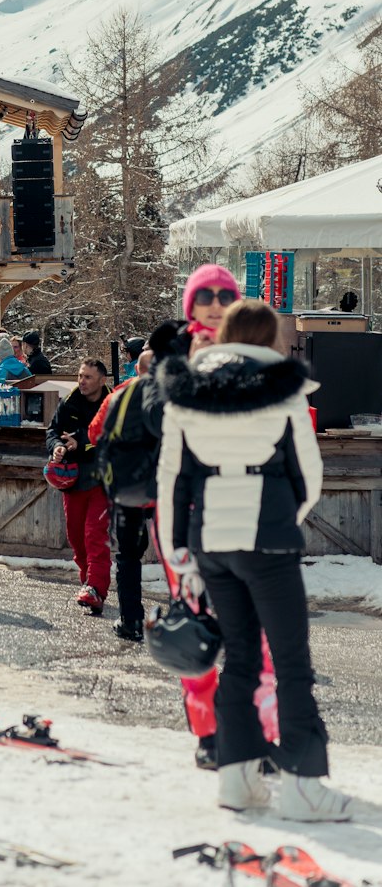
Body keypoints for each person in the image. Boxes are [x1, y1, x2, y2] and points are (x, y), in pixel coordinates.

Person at [156, 298, 350, 821]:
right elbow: (308, 477)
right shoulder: (285, 388)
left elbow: (172, 477)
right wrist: (286, 513)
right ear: (268, 338)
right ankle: (305, 786)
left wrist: (180, 551)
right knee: (291, 663)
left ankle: (237, 780)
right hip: (268, 536)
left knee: (239, 658)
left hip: (209, 540)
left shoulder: (187, 388)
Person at [142, 262, 245, 768]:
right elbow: (157, 421)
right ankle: (207, 734)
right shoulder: (171, 355)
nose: (215, 305)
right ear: (190, 304)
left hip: (244, 506)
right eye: (205, 296)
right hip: (184, 507)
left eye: (225, 296)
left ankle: (251, 733)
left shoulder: (254, 352)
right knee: (197, 625)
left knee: (253, 632)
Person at [89, 347, 154, 641]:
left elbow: (94, 432)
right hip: (170, 489)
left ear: (136, 368)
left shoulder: (120, 395)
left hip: (130, 490)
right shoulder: (182, 394)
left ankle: (131, 620)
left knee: (128, 557)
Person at [46, 358, 112, 614]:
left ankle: (96, 587)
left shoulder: (112, 403)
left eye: (88, 377)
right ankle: (88, 580)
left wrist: (81, 443)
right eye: (80, 376)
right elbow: (52, 431)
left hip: (103, 479)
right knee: (75, 536)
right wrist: (57, 448)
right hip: (73, 481)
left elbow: (110, 437)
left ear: (102, 380)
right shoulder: (69, 401)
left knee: (95, 535)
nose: (82, 381)